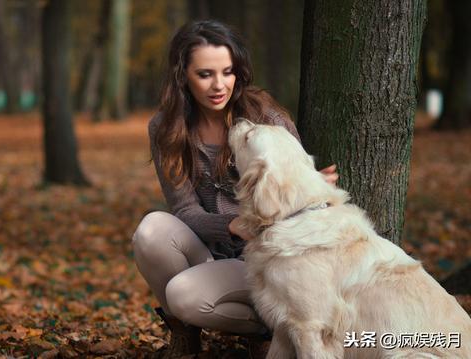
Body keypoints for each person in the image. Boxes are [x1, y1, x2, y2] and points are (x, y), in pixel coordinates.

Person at [132, 20, 339, 358]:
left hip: (267, 259)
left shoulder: (265, 116)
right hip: (210, 251)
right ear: (183, 76)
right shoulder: (165, 129)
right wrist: (230, 225)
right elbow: (185, 211)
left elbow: (295, 193)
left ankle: (270, 331)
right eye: (205, 74)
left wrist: (312, 187)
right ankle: (184, 332)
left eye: (227, 72)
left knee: (184, 295)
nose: (219, 85)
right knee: (151, 231)